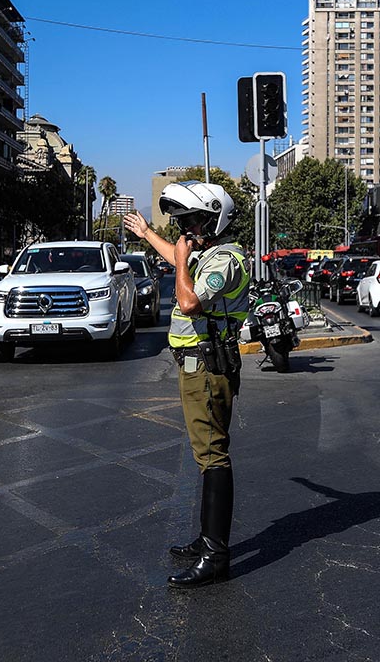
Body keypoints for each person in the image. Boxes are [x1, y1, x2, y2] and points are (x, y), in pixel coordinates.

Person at [122, 181, 249, 589]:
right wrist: (147, 235)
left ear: (215, 220)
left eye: (193, 221)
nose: (187, 230)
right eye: (186, 222)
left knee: (213, 456)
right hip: (196, 367)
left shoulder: (226, 260)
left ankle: (216, 556)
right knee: (205, 454)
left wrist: (180, 261)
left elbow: (189, 301)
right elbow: (180, 260)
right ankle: (206, 540)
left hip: (208, 370)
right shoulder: (208, 254)